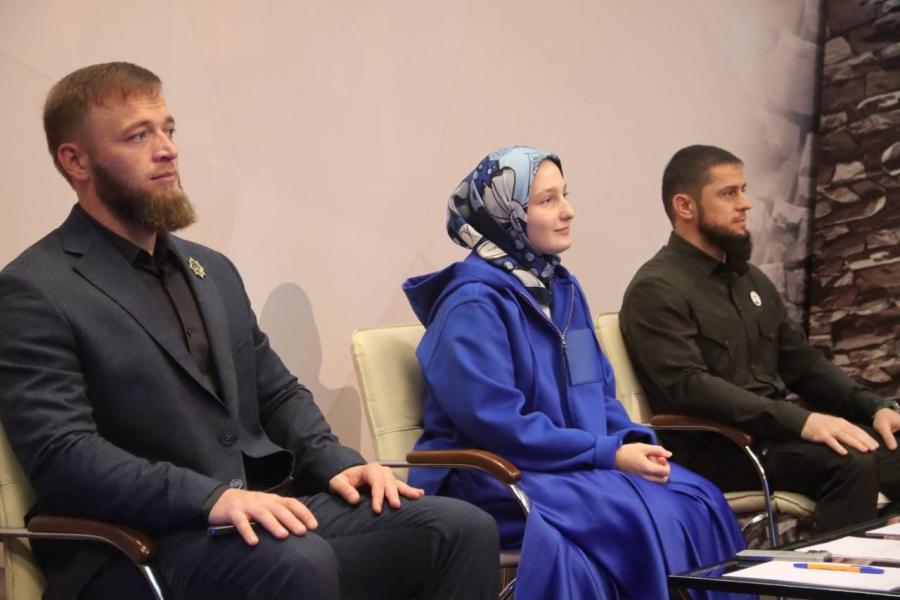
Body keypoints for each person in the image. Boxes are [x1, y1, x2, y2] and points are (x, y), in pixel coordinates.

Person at [0, 62, 500, 600]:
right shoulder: (35, 289)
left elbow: (276, 392)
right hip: (135, 544)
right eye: (138, 136)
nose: (167, 149)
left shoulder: (211, 270)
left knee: (460, 527)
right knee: (295, 561)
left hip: (257, 515)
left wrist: (337, 462)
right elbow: (65, 455)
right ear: (75, 160)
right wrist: (209, 497)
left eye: (168, 130)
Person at [403, 146, 746, 599]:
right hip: (494, 477)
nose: (568, 211)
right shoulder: (472, 304)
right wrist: (607, 455)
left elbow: (594, 389)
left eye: (565, 195)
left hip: (568, 465)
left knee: (701, 498)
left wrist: (629, 440)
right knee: (639, 514)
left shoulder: (562, 289)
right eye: (548, 201)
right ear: (506, 215)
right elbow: (500, 426)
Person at [620, 144, 900, 533]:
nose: (746, 204)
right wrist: (802, 421)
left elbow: (803, 364)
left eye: (743, 190)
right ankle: (829, 571)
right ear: (685, 206)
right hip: (719, 447)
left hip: (774, 435)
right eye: (728, 193)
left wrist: (875, 408)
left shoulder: (749, 279)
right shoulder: (656, 289)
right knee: (852, 463)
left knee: (894, 447)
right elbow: (690, 387)